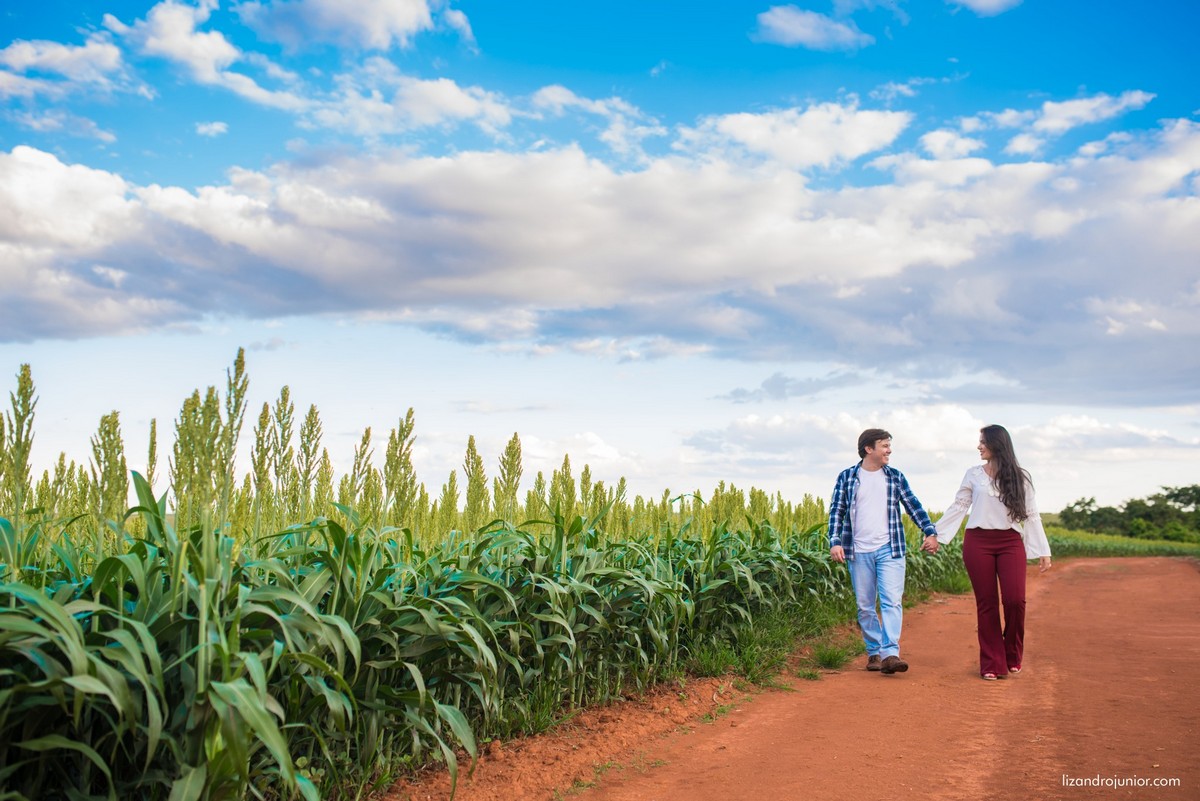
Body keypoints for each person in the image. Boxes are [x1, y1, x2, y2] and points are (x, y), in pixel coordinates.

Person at [921, 424, 1052, 681]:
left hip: (1010, 542)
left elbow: (1032, 515)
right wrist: (936, 535)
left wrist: (1042, 550)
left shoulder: (1020, 477)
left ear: (997, 444)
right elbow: (959, 507)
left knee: (1015, 600)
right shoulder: (973, 474)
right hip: (977, 541)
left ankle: (1011, 653)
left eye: (983, 442)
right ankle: (992, 661)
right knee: (987, 603)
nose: (979, 446)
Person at [829, 428, 939, 675]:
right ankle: (874, 652)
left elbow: (913, 505)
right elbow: (836, 510)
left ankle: (890, 653)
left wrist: (929, 531)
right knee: (865, 605)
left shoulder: (894, 477)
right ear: (869, 449)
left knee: (891, 601)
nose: (889, 450)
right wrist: (835, 541)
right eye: (884, 445)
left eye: (889, 445)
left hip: (890, 548)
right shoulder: (847, 477)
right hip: (858, 550)